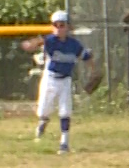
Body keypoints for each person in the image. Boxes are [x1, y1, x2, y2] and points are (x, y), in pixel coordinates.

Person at [21, 11, 96, 153]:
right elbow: (40, 41)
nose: (59, 28)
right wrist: (31, 44)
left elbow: (86, 56)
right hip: (50, 79)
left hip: (65, 81)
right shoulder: (51, 41)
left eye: (62, 25)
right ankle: (43, 122)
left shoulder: (74, 44)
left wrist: (94, 71)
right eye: (56, 25)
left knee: (65, 111)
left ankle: (64, 143)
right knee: (43, 110)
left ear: (68, 27)